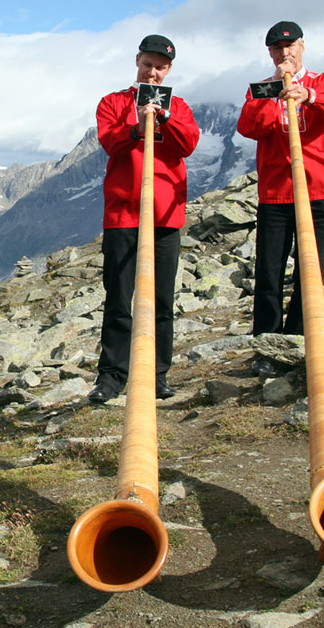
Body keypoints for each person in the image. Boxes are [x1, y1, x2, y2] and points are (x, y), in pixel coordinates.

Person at [88, 34, 200, 403]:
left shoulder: (178, 106)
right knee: (119, 298)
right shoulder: (113, 102)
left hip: (165, 215)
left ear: (169, 70)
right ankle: (112, 376)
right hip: (123, 213)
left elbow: (188, 144)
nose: (152, 72)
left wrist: (164, 117)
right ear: (137, 62)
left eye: (160, 67)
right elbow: (110, 142)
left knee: (162, 300)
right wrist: (138, 126)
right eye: (147, 64)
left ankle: (156, 373)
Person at [236, 21, 324, 376]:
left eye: (290, 47)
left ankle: (303, 337)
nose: (284, 53)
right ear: (270, 53)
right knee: (269, 269)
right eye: (276, 49)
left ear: (302, 47)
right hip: (276, 190)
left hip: (319, 187)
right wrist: (273, 97)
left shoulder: (321, 81)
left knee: (311, 267)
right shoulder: (261, 88)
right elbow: (249, 126)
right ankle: (267, 345)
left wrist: (307, 96)